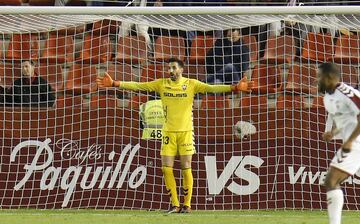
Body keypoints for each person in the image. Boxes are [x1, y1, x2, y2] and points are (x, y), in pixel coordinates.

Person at [97, 57, 253, 213]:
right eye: (169, 68)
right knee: (166, 169)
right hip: (168, 133)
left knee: (186, 167)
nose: (170, 70)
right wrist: (115, 84)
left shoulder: (191, 84)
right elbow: (139, 85)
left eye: (173, 68)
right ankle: (175, 204)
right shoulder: (161, 84)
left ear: (181, 69)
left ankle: (187, 205)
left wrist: (234, 88)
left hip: (185, 133)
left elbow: (211, 88)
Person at [319, 63, 360, 224]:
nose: (317, 79)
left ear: (329, 77)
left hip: (356, 142)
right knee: (331, 181)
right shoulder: (328, 97)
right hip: (353, 141)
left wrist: (349, 141)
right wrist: (333, 133)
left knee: (331, 180)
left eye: (319, 76)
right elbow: (346, 120)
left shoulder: (346, 92)